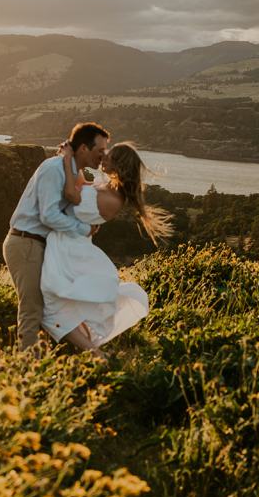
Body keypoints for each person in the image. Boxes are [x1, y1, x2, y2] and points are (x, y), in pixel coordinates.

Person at [40, 141, 173, 360]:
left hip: (70, 253)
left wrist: (67, 160)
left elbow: (71, 195)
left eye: (108, 155)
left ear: (118, 165)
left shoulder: (112, 198)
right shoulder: (107, 186)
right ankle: (86, 352)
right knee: (60, 305)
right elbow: (82, 186)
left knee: (52, 306)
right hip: (69, 246)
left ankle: (95, 354)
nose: (103, 157)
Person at [3, 122, 110, 352]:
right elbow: (49, 214)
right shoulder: (53, 168)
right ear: (83, 149)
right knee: (32, 307)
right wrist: (83, 229)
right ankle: (27, 367)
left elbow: (79, 194)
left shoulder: (76, 173)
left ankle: (82, 353)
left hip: (44, 246)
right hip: (27, 242)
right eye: (99, 151)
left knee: (55, 305)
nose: (103, 156)